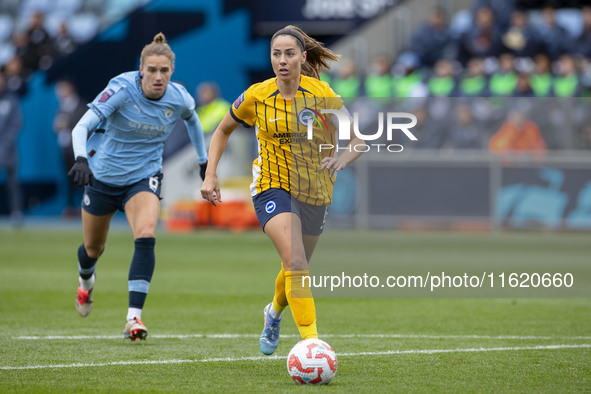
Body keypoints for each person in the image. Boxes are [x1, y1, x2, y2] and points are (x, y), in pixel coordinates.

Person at [200, 25, 363, 355]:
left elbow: (357, 140)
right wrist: (210, 175)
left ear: (303, 58)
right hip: (271, 187)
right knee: (296, 261)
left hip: (315, 190)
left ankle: (273, 312)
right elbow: (222, 131)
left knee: (295, 266)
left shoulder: (322, 94)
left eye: (290, 54)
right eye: (276, 54)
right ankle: (311, 345)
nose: (282, 60)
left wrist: (342, 159)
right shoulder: (257, 95)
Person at [67, 33, 208, 340]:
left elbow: (193, 121)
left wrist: (203, 160)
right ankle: (85, 282)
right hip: (102, 177)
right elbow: (82, 125)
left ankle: (134, 318)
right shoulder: (121, 90)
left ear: (171, 71)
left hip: (143, 177)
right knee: (93, 249)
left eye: (165, 71)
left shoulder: (179, 97)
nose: (158, 77)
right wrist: (81, 159)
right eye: (152, 70)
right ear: (141, 70)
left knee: (146, 234)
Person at [53, 78, 87, 217]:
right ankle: (70, 208)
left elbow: (85, 127)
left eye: (63, 88)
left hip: (79, 149)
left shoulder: (81, 105)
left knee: (83, 179)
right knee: (69, 179)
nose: (60, 92)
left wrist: (69, 125)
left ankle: (86, 206)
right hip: (65, 149)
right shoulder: (61, 107)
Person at [0, 69, 23, 226]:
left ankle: (16, 212)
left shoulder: (11, 99)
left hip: (8, 149)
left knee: (12, 182)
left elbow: (16, 123)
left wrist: (5, 144)